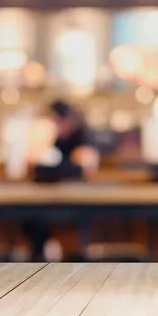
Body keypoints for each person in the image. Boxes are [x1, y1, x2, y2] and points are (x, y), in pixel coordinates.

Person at [23, 101, 100, 262]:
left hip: (77, 202)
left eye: (53, 121)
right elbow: (33, 167)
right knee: (33, 221)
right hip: (45, 200)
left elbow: (87, 164)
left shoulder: (82, 136)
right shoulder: (49, 140)